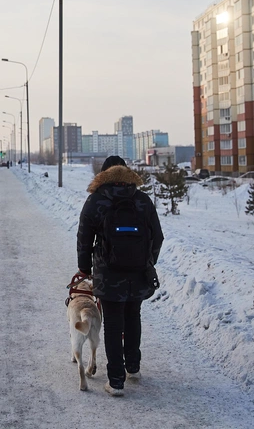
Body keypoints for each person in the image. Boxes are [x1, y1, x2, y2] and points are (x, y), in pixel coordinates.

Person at [76, 155, 164, 397]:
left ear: (104, 174)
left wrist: (84, 269)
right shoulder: (142, 200)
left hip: (108, 273)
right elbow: (158, 236)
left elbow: (84, 238)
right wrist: (148, 261)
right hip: (138, 272)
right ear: (125, 173)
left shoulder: (96, 201)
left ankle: (116, 381)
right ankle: (133, 368)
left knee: (114, 323)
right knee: (133, 315)